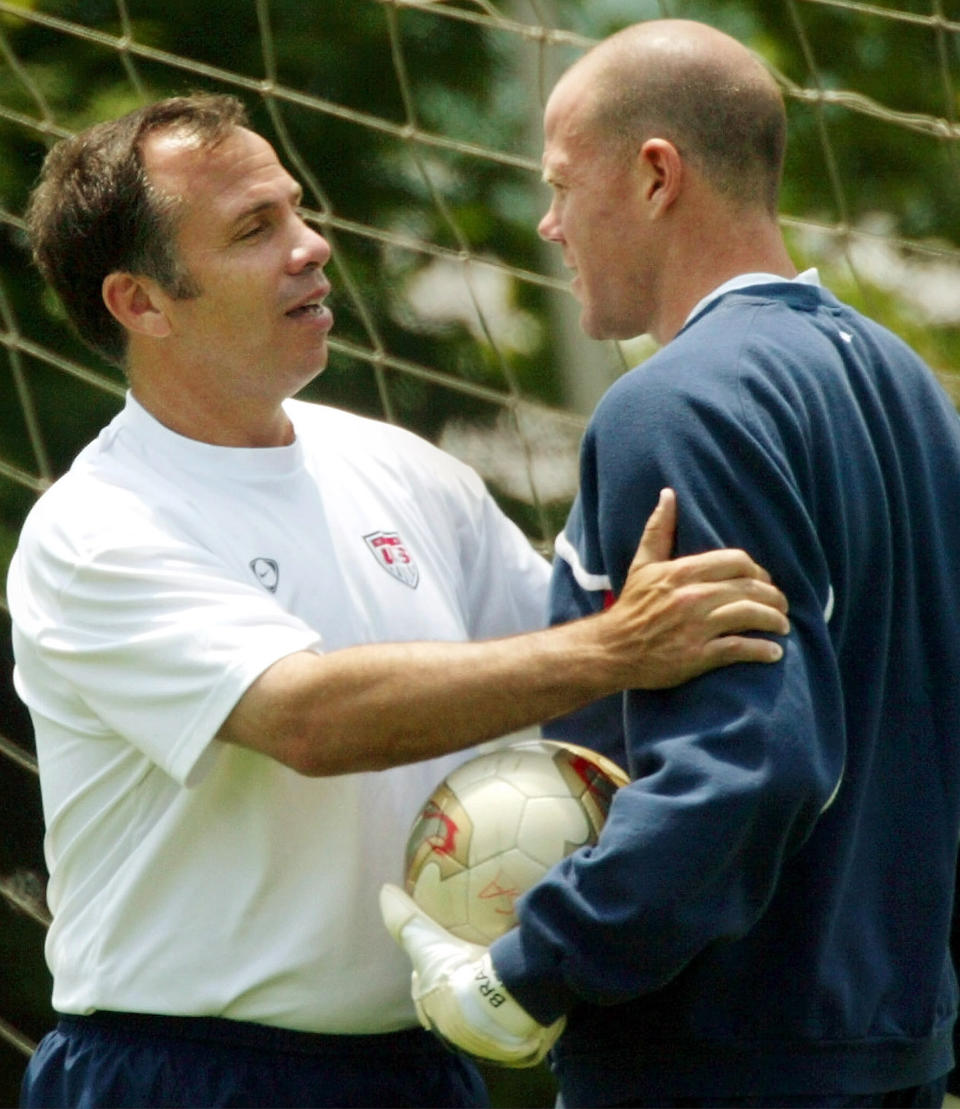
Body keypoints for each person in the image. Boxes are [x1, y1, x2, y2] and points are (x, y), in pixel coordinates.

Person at [6, 93, 791, 1109]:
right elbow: (310, 715)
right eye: (256, 229)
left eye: (295, 209)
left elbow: (556, 668)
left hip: (424, 1061)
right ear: (140, 302)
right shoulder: (95, 528)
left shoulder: (398, 468)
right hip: (185, 1070)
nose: (312, 244)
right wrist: (621, 644)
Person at [382, 18, 960, 1108]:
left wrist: (533, 963)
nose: (549, 223)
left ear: (656, 176)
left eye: (560, 183)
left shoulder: (677, 401)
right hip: (892, 1042)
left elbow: (748, 759)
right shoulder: (904, 381)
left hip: (723, 1058)